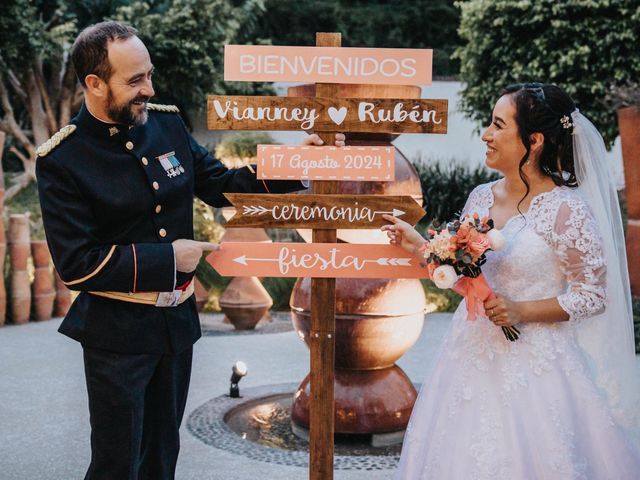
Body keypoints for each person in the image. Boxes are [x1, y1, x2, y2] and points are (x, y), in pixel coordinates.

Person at [35, 21, 344, 480]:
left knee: (161, 457)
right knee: (117, 464)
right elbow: (77, 265)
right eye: (135, 80)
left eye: (149, 75)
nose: (149, 88)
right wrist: (169, 259)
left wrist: (293, 164)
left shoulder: (165, 123)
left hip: (175, 326)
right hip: (116, 335)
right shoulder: (62, 159)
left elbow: (221, 185)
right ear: (95, 84)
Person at [383, 83, 640, 479]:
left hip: (538, 369)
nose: (486, 134)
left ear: (533, 141)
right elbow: (466, 278)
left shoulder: (566, 210)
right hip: (468, 358)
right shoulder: (480, 198)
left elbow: (592, 296)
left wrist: (522, 309)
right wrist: (420, 247)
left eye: (498, 124)